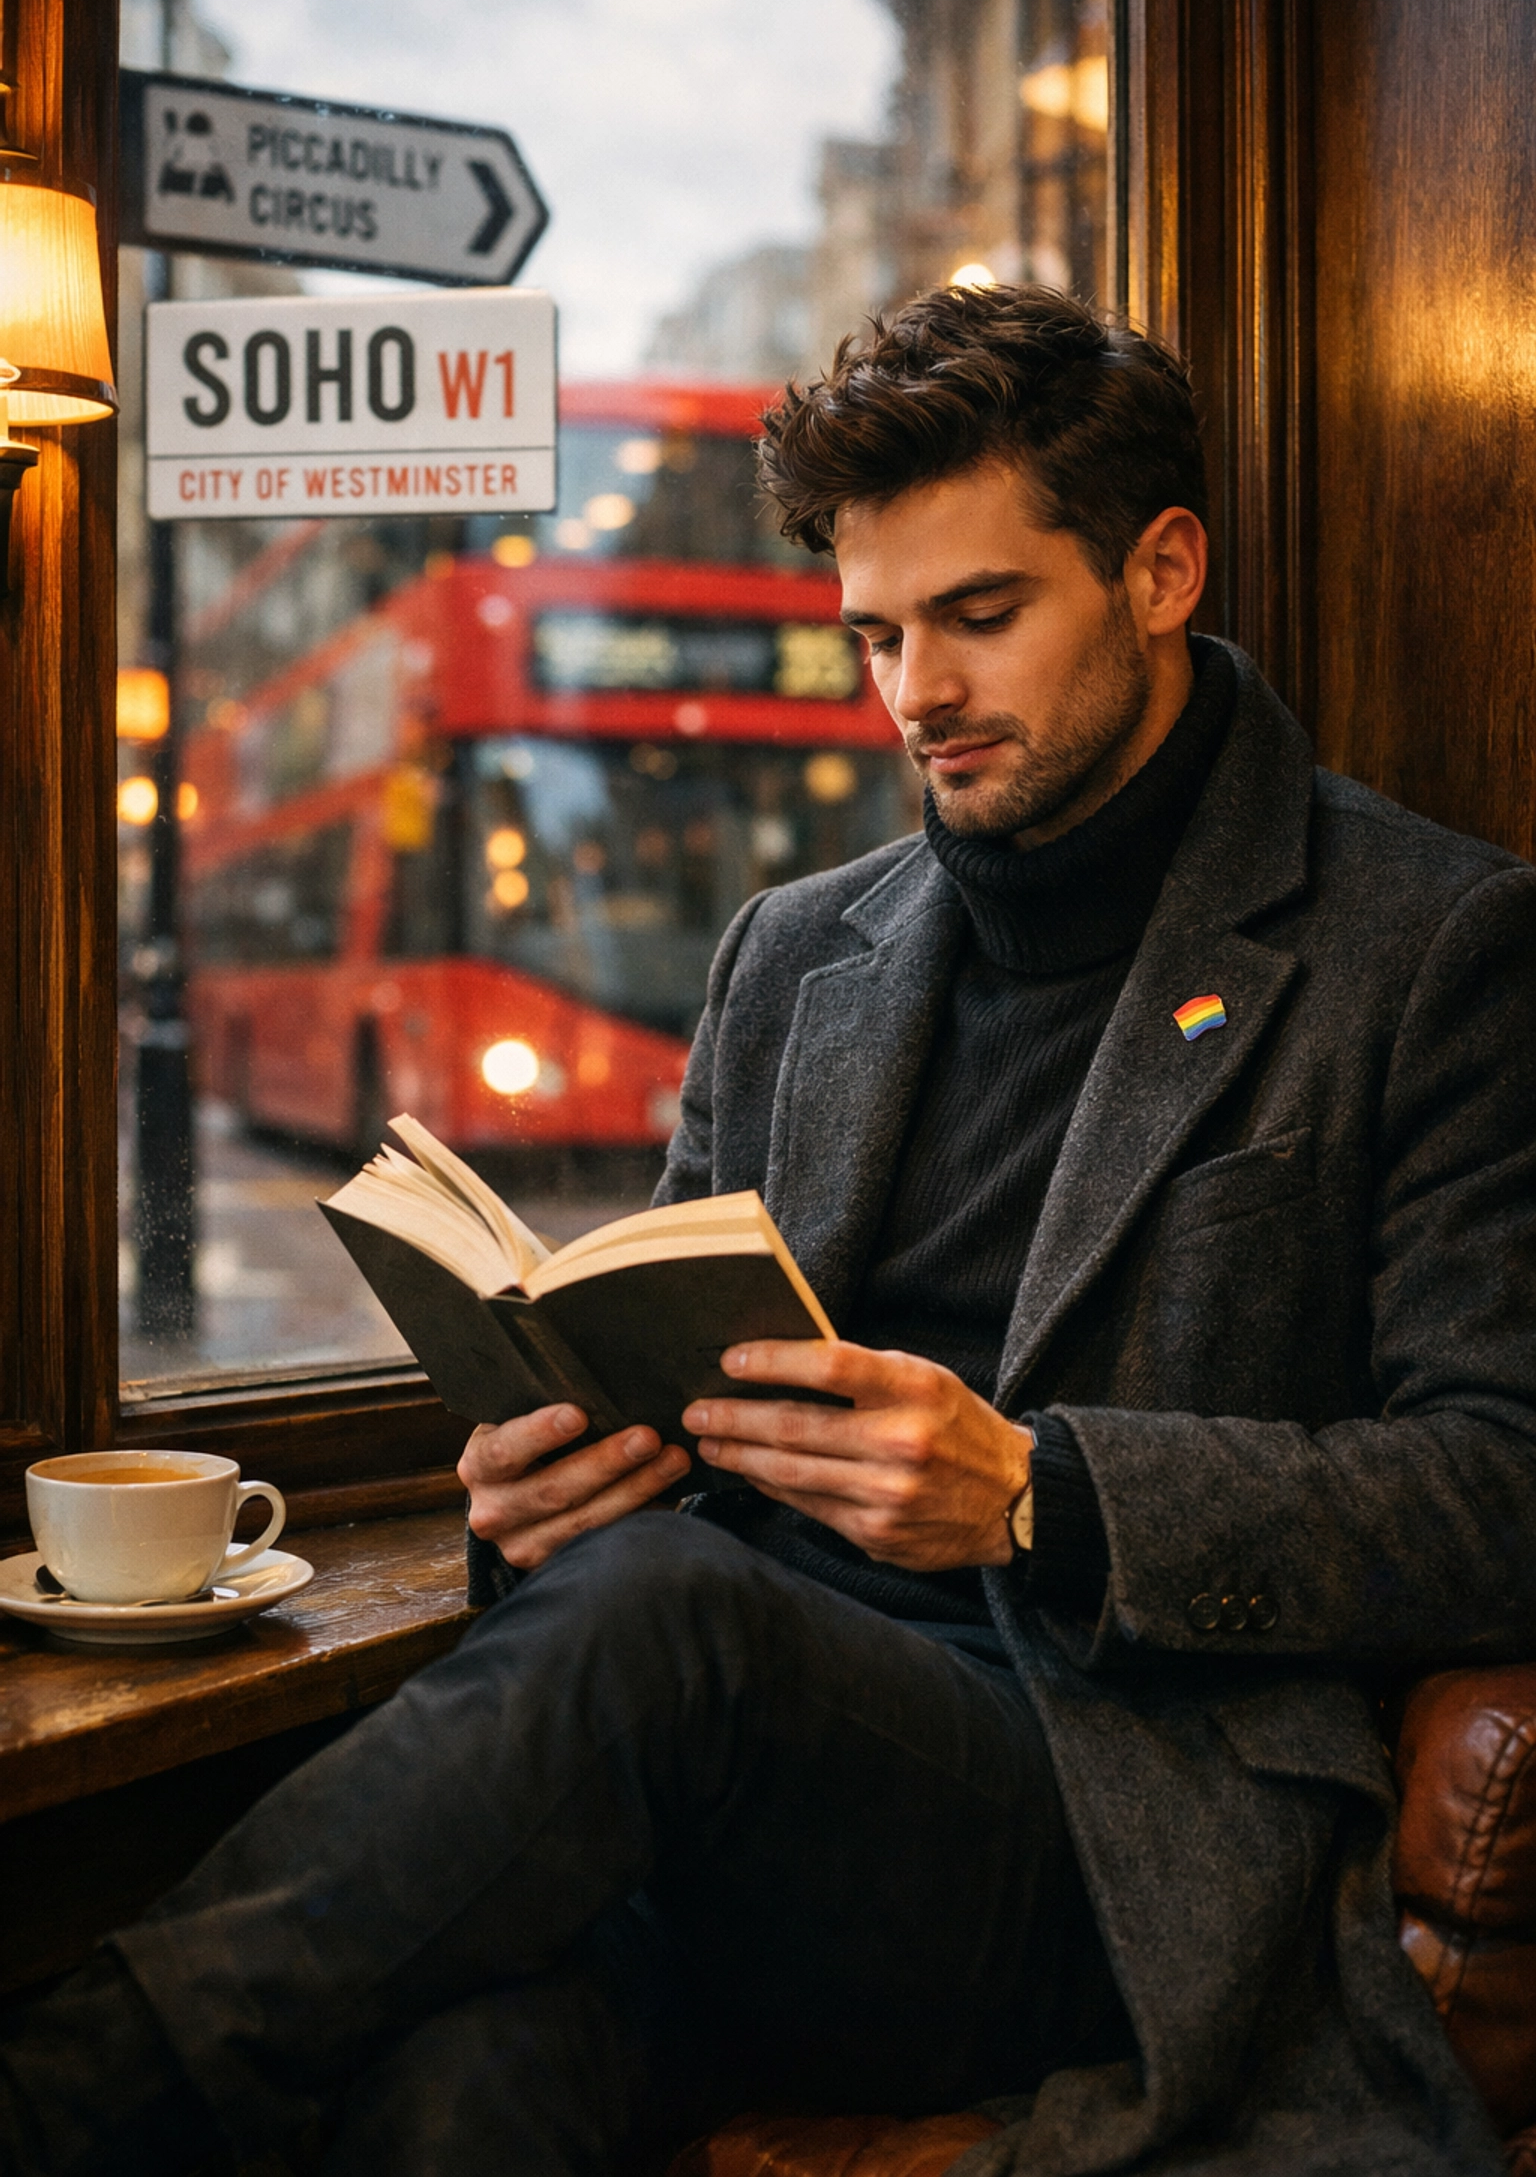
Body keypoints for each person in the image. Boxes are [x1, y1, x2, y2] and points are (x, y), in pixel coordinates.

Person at [6, 284, 1536, 2177]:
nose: (917, 695)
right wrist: (550, 1485)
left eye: (981, 617)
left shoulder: (1429, 943)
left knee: (664, 1626)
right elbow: (658, 1379)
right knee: (461, 2087)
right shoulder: (798, 950)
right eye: (877, 634)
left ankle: (51, 2105)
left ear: (1160, 571)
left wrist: (1043, 1492)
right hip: (727, 1783)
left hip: (1111, 1814)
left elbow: (1502, 1486)